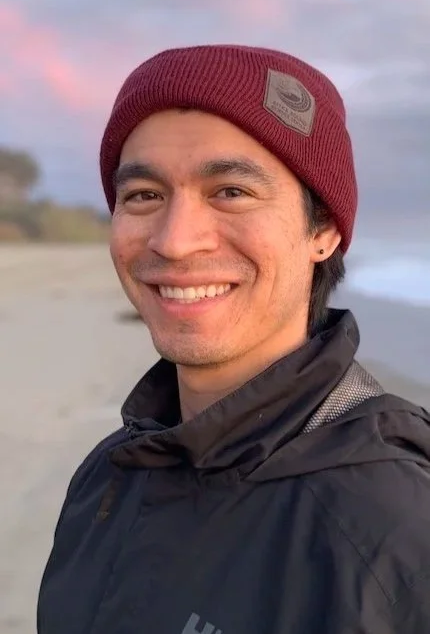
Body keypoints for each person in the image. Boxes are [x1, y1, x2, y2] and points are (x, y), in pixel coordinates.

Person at [37, 44, 430, 634]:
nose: (175, 241)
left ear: (323, 229)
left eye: (231, 192)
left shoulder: (393, 530)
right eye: (144, 195)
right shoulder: (109, 474)